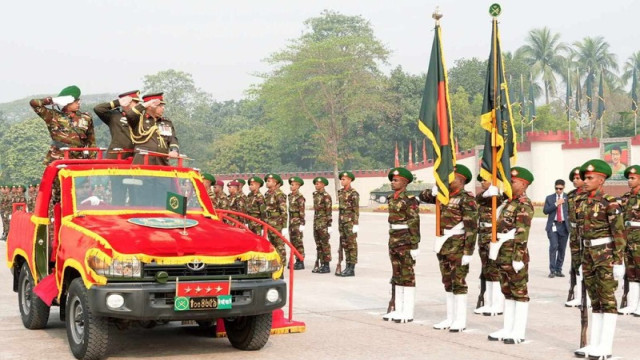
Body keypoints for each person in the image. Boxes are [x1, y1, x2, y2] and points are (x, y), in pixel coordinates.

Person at [573, 159, 625, 359]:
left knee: (608, 299)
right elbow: (578, 233)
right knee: (595, 299)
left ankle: (606, 346)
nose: (585, 181)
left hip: (605, 255)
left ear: (601, 180)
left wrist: (618, 261)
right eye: (584, 178)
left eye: (589, 178)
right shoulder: (581, 202)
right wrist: (578, 260)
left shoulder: (609, 202)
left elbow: (619, 233)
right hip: (588, 255)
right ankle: (594, 343)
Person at [420, 164, 478, 332]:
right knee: (447, 282)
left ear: (460, 179)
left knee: (458, 282)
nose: (446, 178)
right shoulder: (443, 195)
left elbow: (472, 227)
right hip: (443, 244)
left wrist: (468, 252)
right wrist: (433, 190)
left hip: (458, 245)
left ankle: (460, 320)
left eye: (451, 176)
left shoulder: (466, 198)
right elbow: (423, 196)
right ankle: (450, 317)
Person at [487, 166, 534, 345]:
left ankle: (518, 331)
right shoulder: (508, 202)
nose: (509, 184)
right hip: (502, 251)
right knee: (507, 291)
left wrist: (518, 257)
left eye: (512, 182)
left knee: (519, 292)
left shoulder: (523, 203)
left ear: (523, 184)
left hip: (514, 252)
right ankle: (508, 327)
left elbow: (522, 232)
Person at [382, 167, 420, 323]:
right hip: (394, 238)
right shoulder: (392, 198)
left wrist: (415, 244)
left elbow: (414, 222)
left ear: (404, 182)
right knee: (396, 273)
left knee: (407, 275)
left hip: (405, 239)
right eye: (392, 179)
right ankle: (398, 308)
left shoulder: (409, 200)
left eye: (396, 180)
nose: (393, 182)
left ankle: (408, 311)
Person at [30, 85, 96, 164]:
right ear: (66, 102)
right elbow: (34, 103)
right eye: (75, 101)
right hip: (58, 158)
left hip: (79, 159)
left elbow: (91, 141)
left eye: (78, 100)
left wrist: (92, 161)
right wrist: (53, 100)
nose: (78, 103)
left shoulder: (86, 118)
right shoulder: (52, 116)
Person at [474, 174, 505, 316]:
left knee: (495, 270)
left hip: (494, 237)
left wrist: (496, 193)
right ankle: (489, 302)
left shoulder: (501, 196)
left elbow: (500, 202)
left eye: (485, 180)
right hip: (483, 235)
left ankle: (497, 304)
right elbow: (478, 199)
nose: (482, 182)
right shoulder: (485, 196)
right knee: (486, 269)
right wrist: (488, 193)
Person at [126, 93, 179, 165]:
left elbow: (172, 139)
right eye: (160, 106)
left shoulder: (166, 122)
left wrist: (174, 150)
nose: (163, 108)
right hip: (142, 162)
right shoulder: (138, 120)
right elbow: (130, 114)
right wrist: (147, 104)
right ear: (149, 107)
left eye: (163, 106)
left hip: (162, 162)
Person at [617, 165, 640, 316]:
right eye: (629, 178)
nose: (629, 181)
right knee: (631, 273)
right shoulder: (626, 197)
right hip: (628, 237)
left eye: (633, 178)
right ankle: (632, 305)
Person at [93, 90, 141, 160]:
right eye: (135, 102)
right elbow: (98, 109)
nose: (137, 105)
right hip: (117, 154)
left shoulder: (141, 117)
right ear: (126, 103)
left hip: (135, 155)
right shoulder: (115, 116)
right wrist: (118, 102)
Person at [565, 167, 589, 308]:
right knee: (576, 264)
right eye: (573, 178)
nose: (575, 180)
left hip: (585, 233)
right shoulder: (571, 195)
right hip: (574, 233)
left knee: (587, 265)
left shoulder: (589, 195)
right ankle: (579, 296)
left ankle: (588, 298)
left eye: (578, 178)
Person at [543, 179, 570, 278]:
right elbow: (545, 211)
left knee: (562, 249)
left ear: (564, 188)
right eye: (556, 188)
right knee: (553, 246)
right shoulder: (549, 198)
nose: (558, 190)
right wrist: (556, 204)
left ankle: (559, 269)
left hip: (564, 226)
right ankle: (552, 270)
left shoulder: (568, 198)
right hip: (553, 225)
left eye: (560, 188)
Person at [337, 171, 359, 277]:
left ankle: (352, 268)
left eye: (344, 179)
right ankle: (347, 265)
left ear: (350, 180)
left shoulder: (353, 193)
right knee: (345, 244)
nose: (342, 181)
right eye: (341, 179)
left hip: (350, 222)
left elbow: (356, 209)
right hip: (342, 222)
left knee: (352, 245)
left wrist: (355, 223)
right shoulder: (340, 192)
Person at [264, 174, 288, 264]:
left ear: (275, 183)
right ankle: (274, 264)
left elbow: (284, 211)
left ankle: (281, 265)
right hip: (268, 222)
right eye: (267, 181)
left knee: (279, 245)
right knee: (272, 245)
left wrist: (284, 226)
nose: (267, 182)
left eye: (269, 181)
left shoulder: (279, 194)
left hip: (277, 223)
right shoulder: (267, 194)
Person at [312, 177, 333, 274]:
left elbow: (328, 211)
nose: (316, 185)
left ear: (323, 185)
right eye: (316, 183)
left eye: (319, 183)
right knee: (318, 244)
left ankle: (326, 265)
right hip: (316, 222)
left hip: (324, 223)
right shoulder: (315, 195)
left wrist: (329, 225)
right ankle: (321, 263)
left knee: (324, 244)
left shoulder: (326, 196)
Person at [288, 176, 306, 270]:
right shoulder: (290, 196)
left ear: (298, 186)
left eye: (293, 184)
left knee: (298, 241)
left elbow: (302, 211)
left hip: (297, 221)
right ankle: (294, 258)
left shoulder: (300, 197)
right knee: (292, 241)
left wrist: (302, 223)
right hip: (291, 221)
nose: (291, 186)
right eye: (291, 184)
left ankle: (300, 260)